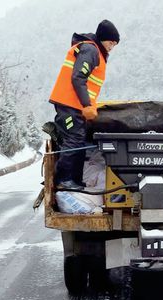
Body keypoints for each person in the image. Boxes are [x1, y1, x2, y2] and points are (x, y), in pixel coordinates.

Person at [49, 20, 120, 190]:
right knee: (73, 140)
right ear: (103, 38)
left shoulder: (96, 52)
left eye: (115, 44)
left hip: (75, 106)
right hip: (69, 104)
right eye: (111, 42)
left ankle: (74, 180)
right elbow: (78, 78)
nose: (112, 47)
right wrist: (87, 105)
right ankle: (64, 180)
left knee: (78, 140)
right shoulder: (90, 49)